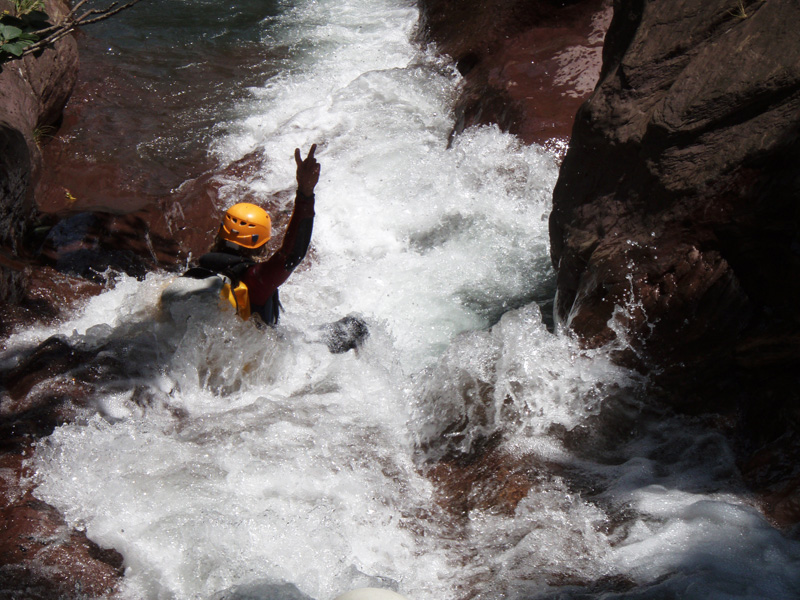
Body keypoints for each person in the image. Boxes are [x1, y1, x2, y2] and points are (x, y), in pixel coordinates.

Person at [183, 144, 320, 326]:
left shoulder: (195, 273)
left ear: (221, 234)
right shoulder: (256, 280)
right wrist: (305, 193)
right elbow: (292, 255)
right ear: (261, 245)